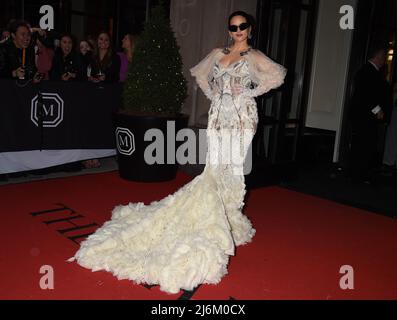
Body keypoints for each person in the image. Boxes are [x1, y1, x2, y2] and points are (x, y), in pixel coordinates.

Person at [69, 11, 286, 294]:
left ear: (250, 28)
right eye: (233, 27)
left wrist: (248, 93)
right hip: (219, 116)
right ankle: (220, 214)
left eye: (243, 26)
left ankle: (230, 217)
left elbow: (276, 77)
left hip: (243, 118)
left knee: (233, 167)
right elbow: (202, 78)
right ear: (229, 29)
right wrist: (216, 96)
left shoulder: (254, 56)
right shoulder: (217, 53)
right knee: (214, 166)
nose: (238, 31)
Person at [349, 42, 393, 184]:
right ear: (378, 56)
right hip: (364, 116)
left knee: (365, 144)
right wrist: (377, 109)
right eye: (383, 57)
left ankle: (359, 174)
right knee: (364, 144)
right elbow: (365, 94)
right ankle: (359, 175)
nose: (384, 60)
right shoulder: (367, 72)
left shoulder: (368, 71)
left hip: (364, 116)